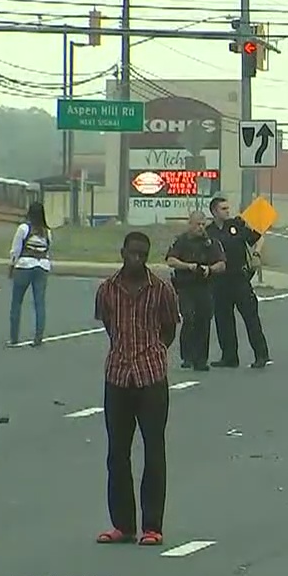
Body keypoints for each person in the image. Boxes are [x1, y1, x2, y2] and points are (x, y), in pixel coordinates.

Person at [94, 231, 180, 547]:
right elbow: (108, 325)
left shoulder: (161, 291)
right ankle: (123, 525)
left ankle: (152, 525)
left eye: (143, 254)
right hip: (117, 376)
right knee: (117, 453)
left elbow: (170, 327)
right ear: (122, 252)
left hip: (151, 378)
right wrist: (124, 352)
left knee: (154, 451)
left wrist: (153, 352)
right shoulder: (107, 291)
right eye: (132, 253)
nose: (137, 259)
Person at [205, 196, 271, 369]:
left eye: (228, 208)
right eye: (223, 209)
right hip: (219, 281)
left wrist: (257, 254)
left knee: (251, 318)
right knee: (223, 320)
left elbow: (258, 238)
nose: (227, 211)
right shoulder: (208, 232)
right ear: (214, 212)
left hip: (239, 279)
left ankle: (261, 355)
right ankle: (229, 356)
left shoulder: (236, 226)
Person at [165, 211, 226, 372]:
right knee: (189, 318)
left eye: (202, 224)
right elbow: (171, 260)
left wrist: (209, 269)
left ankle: (201, 359)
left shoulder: (211, 243)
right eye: (197, 224)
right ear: (190, 224)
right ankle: (187, 356)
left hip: (204, 287)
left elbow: (222, 264)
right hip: (185, 287)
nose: (200, 227)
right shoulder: (181, 241)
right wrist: (189, 266)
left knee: (204, 321)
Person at [7, 202, 52, 347]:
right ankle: (38, 337)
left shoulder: (24, 228)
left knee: (17, 302)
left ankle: (14, 338)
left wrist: (11, 265)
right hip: (42, 266)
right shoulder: (47, 232)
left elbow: (15, 250)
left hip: (25, 266)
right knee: (39, 303)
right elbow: (48, 250)